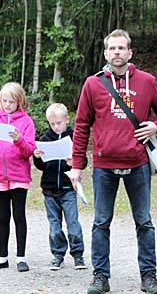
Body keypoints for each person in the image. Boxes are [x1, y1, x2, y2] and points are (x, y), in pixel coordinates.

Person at [71, 29, 157, 294]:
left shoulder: (147, 81)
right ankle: (100, 277)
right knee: (101, 223)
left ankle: (149, 276)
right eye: (112, 48)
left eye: (121, 48)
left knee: (144, 222)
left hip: (138, 163)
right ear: (105, 53)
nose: (117, 52)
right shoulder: (93, 84)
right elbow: (81, 125)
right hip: (104, 166)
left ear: (130, 52)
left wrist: (155, 126)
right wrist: (76, 165)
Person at [33, 103, 87, 271]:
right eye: (52, 123)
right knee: (54, 226)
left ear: (67, 120)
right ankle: (58, 255)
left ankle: (78, 255)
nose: (56, 126)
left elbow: (83, 161)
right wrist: (37, 157)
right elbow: (41, 166)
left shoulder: (74, 137)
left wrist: (75, 162)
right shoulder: (44, 138)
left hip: (68, 188)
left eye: (59, 122)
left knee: (73, 224)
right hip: (49, 189)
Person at [0, 82, 36, 272]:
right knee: (2, 217)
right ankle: (2, 256)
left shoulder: (26, 122)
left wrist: (18, 139)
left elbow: (29, 149)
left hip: (19, 176)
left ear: (19, 101)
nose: (7, 105)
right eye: (4, 101)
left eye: (11, 101)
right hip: (0, 177)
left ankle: (21, 257)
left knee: (19, 216)